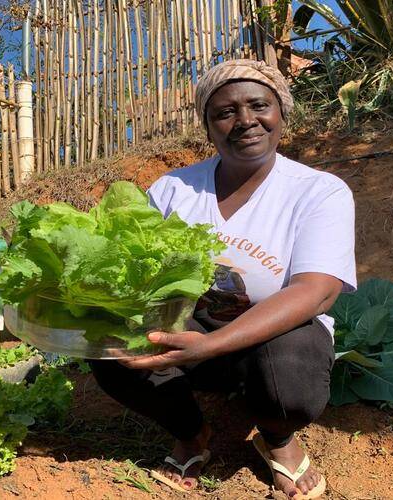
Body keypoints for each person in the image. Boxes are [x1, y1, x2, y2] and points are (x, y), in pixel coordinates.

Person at [88, 59, 356, 499]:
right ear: (208, 127)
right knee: (108, 342)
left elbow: (317, 290)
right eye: (225, 112)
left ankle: (279, 439)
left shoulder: (318, 191)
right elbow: (135, 270)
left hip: (273, 340)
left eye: (259, 106)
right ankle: (192, 432)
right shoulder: (175, 189)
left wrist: (212, 345)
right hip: (189, 330)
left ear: (281, 114)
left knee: (291, 375)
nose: (245, 121)